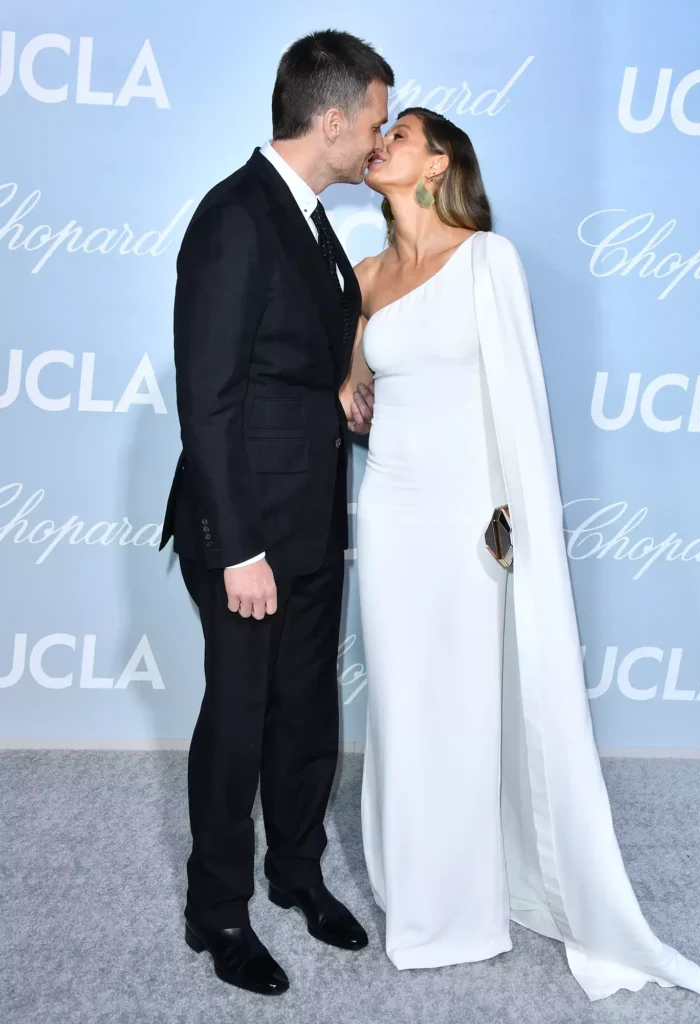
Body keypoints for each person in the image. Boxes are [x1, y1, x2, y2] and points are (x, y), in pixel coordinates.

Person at [340, 107, 700, 1001]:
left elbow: (521, 402)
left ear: (437, 164)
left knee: (466, 702)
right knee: (401, 701)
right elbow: (351, 390)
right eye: (378, 130)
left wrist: (516, 523)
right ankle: (417, 893)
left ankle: (466, 906)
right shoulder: (360, 275)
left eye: (402, 133)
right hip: (389, 510)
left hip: (471, 516)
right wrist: (346, 387)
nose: (381, 140)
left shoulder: (485, 259)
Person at [159, 31, 393, 996]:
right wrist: (240, 548)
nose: (378, 142)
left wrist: (335, 397)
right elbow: (207, 398)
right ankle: (215, 909)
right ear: (330, 119)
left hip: (309, 515)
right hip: (245, 529)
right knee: (240, 717)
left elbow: (284, 362)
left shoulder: (308, 216)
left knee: (305, 710)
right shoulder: (235, 216)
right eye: (373, 123)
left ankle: (294, 874)